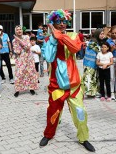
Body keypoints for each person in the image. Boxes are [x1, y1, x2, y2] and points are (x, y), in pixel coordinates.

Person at [39, 9, 95, 152]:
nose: (62, 24)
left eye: (64, 21)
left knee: (81, 113)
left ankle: (83, 138)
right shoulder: (47, 40)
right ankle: (48, 135)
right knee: (52, 113)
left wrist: (59, 36)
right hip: (56, 86)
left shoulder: (73, 35)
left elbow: (75, 48)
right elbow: (50, 58)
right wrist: (53, 38)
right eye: (59, 21)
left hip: (74, 85)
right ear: (53, 23)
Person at [12, 25, 38, 97]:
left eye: (20, 29)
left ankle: (31, 88)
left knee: (30, 74)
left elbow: (27, 47)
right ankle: (17, 90)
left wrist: (20, 41)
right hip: (20, 60)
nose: (19, 31)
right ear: (15, 31)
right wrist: (17, 42)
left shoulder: (26, 37)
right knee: (19, 74)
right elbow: (17, 51)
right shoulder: (14, 40)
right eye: (17, 30)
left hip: (29, 59)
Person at [82, 29, 101, 97]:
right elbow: (100, 51)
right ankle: (90, 92)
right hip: (91, 64)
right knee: (90, 78)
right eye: (101, 34)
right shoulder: (94, 43)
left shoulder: (92, 41)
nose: (102, 35)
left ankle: (91, 92)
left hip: (88, 63)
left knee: (90, 78)